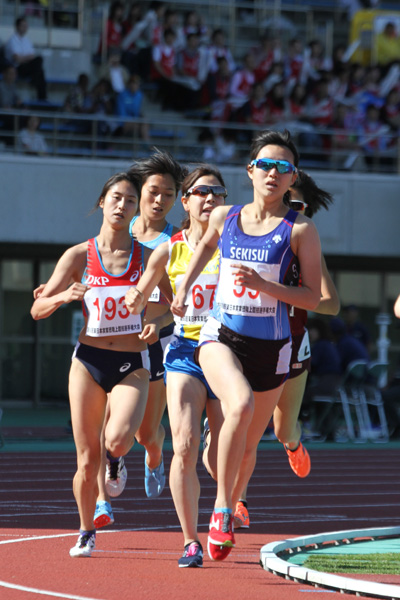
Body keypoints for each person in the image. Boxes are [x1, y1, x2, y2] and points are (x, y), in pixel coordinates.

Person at [170, 129, 322, 561]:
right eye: (266, 165)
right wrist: (184, 288)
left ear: (292, 178)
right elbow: (203, 249)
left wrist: (264, 286)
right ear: (251, 171)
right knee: (239, 404)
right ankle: (221, 510)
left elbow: (313, 297)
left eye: (283, 167)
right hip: (221, 337)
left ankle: (233, 498)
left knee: (249, 446)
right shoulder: (226, 217)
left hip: (272, 349)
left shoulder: (300, 230)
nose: (273, 173)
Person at [30, 171, 159, 557]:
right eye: (116, 197)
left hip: (132, 362)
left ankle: (116, 460)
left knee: (116, 439)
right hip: (88, 361)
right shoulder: (78, 256)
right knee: (86, 460)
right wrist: (63, 296)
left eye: (131, 200)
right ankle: (86, 529)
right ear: (102, 202)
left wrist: (155, 322)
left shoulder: (146, 257)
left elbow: (172, 303)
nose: (122, 205)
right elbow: (37, 309)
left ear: (137, 210)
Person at [207, 169, 341, 529]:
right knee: (243, 416)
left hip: (291, 343)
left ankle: (293, 444)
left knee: (281, 430)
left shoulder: (304, 242)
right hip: (244, 335)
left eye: (296, 205)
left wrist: (283, 291)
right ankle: (238, 500)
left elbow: (331, 304)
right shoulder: (250, 233)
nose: (288, 208)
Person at [125, 165, 227, 568]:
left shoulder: (236, 245)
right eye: (201, 192)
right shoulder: (170, 249)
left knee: (218, 460)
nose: (210, 198)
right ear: (185, 202)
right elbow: (142, 292)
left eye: (217, 192)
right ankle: (190, 541)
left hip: (229, 353)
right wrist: (134, 301)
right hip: (185, 352)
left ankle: (225, 505)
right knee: (182, 444)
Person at [93, 149, 186, 528]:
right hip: (109, 341)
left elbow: (179, 304)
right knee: (103, 424)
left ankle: (154, 456)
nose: (160, 200)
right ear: (138, 192)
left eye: (169, 194)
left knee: (147, 432)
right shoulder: (119, 224)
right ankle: (102, 498)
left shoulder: (177, 241)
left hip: (157, 343)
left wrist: (159, 320)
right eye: (153, 192)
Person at [5, 16, 47, 101]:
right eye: (23, 25)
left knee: (39, 62)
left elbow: (32, 57)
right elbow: (17, 59)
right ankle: (41, 95)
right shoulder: (12, 40)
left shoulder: (27, 40)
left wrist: (23, 57)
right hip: (17, 68)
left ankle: (42, 98)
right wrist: (25, 58)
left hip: (27, 66)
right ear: (17, 26)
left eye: (26, 26)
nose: (25, 28)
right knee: (39, 71)